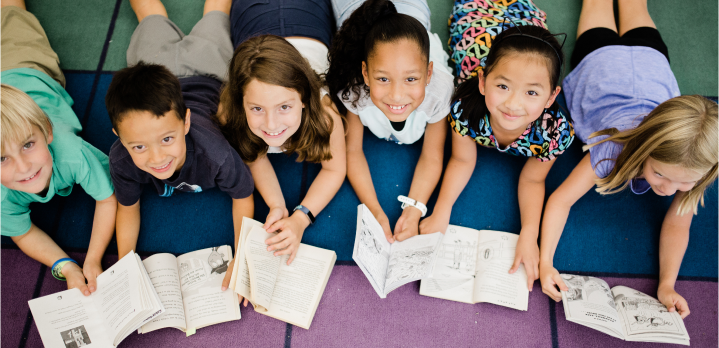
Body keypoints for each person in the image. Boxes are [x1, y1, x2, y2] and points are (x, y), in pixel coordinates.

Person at [538, 0, 719, 319]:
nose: (668, 189)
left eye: (684, 182)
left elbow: (678, 223)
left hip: (651, 62)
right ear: (644, 148)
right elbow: (560, 200)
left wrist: (667, 284)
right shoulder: (612, 148)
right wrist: (546, 261)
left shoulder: (698, 164)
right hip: (600, 61)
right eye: (661, 174)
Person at [420, 0, 574, 290]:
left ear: (552, 98)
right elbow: (462, 160)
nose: (513, 104)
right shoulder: (464, 107)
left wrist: (529, 233)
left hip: (523, 21)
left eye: (531, 92)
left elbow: (532, 179)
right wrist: (441, 210)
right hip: (478, 26)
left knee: (531, 45)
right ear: (482, 81)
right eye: (502, 86)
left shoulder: (555, 132)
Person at [106, 0, 254, 294]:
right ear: (118, 138)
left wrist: (242, 256)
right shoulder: (120, 160)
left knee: (217, 13)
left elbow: (244, 198)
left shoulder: (217, 154)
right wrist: (127, 262)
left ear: (186, 123)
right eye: (138, 147)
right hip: (156, 62)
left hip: (207, 68)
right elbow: (127, 208)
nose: (157, 158)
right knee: (148, 14)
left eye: (167, 139)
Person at [0, 0, 117, 295]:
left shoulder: (72, 153)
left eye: (28, 144)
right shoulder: (2, 195)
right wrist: (65, 265)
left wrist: (93, 259)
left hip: (23, 62)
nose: (24, 167)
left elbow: (107, 196)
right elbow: (22, 232)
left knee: (10, 12)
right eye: (2, 158)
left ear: (48, 132)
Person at [218, 0, 346, 266]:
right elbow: (254, 155)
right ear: (241, 102)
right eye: (257, 108)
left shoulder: (325, 113)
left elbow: (335, 170)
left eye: (284, 107)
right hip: (256, 13)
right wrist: (276, 204)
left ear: (303, 99)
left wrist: (301, 217)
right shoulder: (230, 112)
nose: (272, 125)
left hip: (305, 12)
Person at [326, 0, 454, 243]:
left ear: (428, 73)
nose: (396, 95)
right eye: (383, 79)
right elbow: (352, 151)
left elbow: (432, 155)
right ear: (365, 73)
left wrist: (414, 209)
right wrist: (374, 209)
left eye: (411, 79)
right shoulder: (353, 88)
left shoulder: (440, 90)